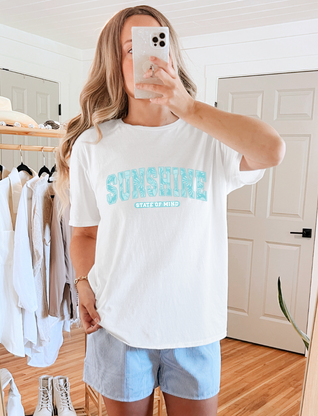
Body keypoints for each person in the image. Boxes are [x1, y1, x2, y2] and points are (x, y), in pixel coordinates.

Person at [54, 5, 285, 416]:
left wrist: (189, 107)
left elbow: (272, 149)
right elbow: (85, 233)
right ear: (115, 63)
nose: (148, 58)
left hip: (194, 327)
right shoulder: (93, 145)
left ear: (172, 55)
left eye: (157, 44)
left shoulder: (209, 138)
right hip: (117, 324)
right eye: (132, 48)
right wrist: (83, 282)